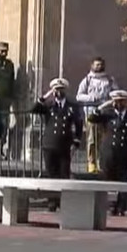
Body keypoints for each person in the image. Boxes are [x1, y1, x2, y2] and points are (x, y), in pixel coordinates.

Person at [31, 77, 84, 211]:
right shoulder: (49, 105)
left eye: (60, 89)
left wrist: (76, 141)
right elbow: (34, 109)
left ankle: (62, 201)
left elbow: (78, 124)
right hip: (49, 144)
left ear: (65, 90)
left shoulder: (72, 106)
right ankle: (52, 202)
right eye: (56, 90)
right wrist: (45, 96)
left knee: (63, 173)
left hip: (64, 144)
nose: (58, 92)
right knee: (51, 174)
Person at [88, 89, 127, 216]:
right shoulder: (108, 114)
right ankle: (110, 205)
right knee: (108, 179)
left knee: (123, 180)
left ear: (125, 102)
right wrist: (103, 105)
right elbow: (92, 118)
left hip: (124, 152)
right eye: (116, 101)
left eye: (121, 101)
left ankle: (121, 206)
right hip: (109, 152)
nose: (118, 104)